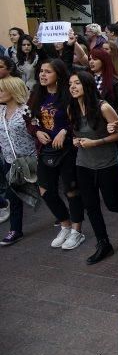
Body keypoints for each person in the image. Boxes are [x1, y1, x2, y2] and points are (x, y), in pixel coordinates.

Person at [66, 70, 118, 264]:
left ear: (87, 85)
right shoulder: (71, 108)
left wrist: (96, 142)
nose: (73, 87)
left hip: (106, 163)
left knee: (112, 203)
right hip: (83, 163)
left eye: (77, 83)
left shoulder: (103, 107)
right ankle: (104, 244)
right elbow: (75, 132)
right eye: (70, 84)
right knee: (91, 206)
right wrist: (76, 141)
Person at [29, 59, 86, 251]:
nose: (43, 75)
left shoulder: (68, 95)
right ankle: (65, 224)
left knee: (71, 190)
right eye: (41, 71)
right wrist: (36, 130)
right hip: (46, 150)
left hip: (68, 151)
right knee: (45, 189)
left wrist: (65, 131)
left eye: (48, 72)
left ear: (58, 75)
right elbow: (29, 118)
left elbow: (79, 118)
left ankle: (77, 231)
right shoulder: (37, 94)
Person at [0, 77, 38, 246]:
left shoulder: (27, 111)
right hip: (11, 161)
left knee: (46, 191)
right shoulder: (0, 111)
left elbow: (36, 132)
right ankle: (15, 230)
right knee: (14, 195)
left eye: (2, 90)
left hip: (31, 159)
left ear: (13, 91)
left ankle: (64, 218)